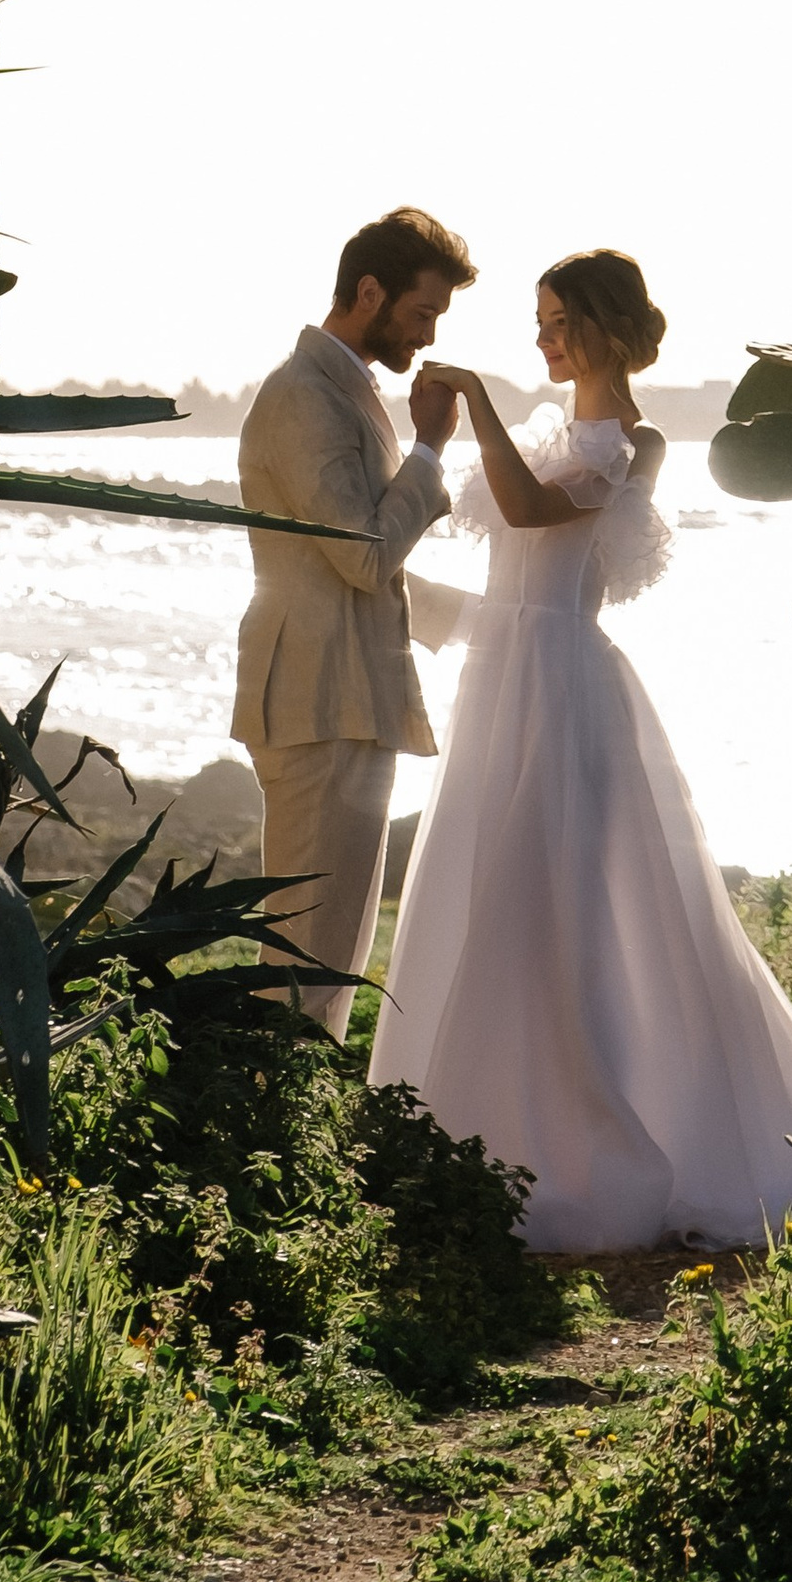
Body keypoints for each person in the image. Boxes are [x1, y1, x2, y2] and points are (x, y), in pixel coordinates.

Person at [372, 248, 792, 1251]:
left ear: (602, 327)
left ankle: (595, 1141)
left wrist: (472, 399)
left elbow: (531, 513)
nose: (543, 338)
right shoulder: (553, 430)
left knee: (553, 905)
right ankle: (470, 1137)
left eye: (557, 320)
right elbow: (510, 571)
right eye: (539, 321)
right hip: (502, 684)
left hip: (564, 691)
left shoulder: (635, 444)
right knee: (487, 892)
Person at [232, 206, 475, 1038]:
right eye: (421, 311)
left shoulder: (348, 390)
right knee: (308, 953)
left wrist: (489, 619)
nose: (428, 332)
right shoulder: (303, 396)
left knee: (331, 946)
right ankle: (271, 1131)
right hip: (316, 702)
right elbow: (366, 555)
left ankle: (283, 1122)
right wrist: (432, 449)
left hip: (345, 698)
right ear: (368, 291)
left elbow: (350, 565)